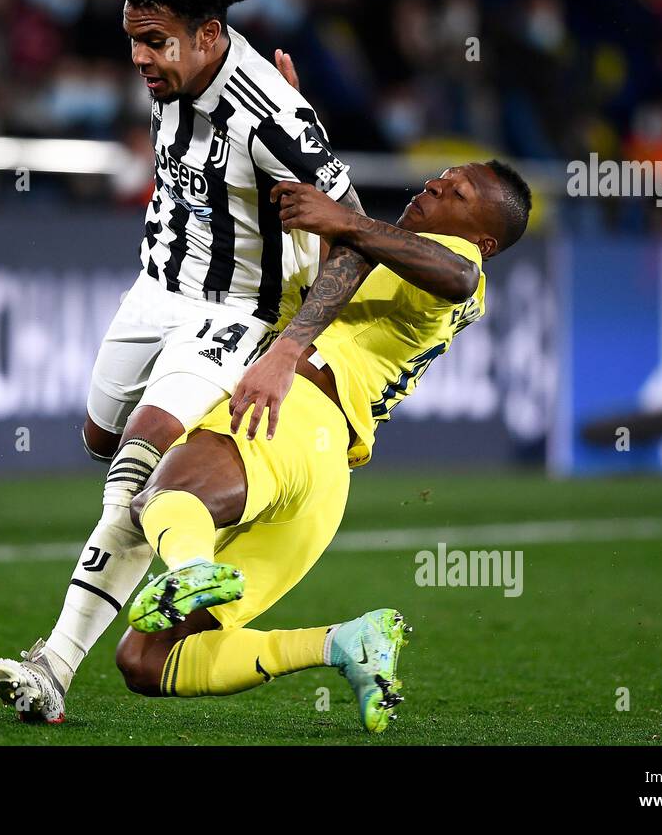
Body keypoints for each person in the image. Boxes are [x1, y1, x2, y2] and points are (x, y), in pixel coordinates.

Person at [0, 0, 370, 723]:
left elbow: (356, 242)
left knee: (135, 472)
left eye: (155, 43)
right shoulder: (174, 47)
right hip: (154, 289)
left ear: (207, 36)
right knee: (101, 440)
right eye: (133, 42)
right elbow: (156, 21)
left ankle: (56, 661)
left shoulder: (276, 118)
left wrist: (287, 348)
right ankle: (168, 536)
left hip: (233, 311)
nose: (139, 61)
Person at [114, 159, 533, 732]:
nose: (435, 185)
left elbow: (458, 275)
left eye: (457, 192)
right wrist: (286, 128)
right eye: (441, 175)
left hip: (288, 414)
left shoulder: (454, 264)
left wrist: (290, 342)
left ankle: (189, 566)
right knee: (145, 660)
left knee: (159, 498)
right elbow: (327, 228)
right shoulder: (382, 251)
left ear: (483, 238)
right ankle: (343, 644)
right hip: (325, 479)